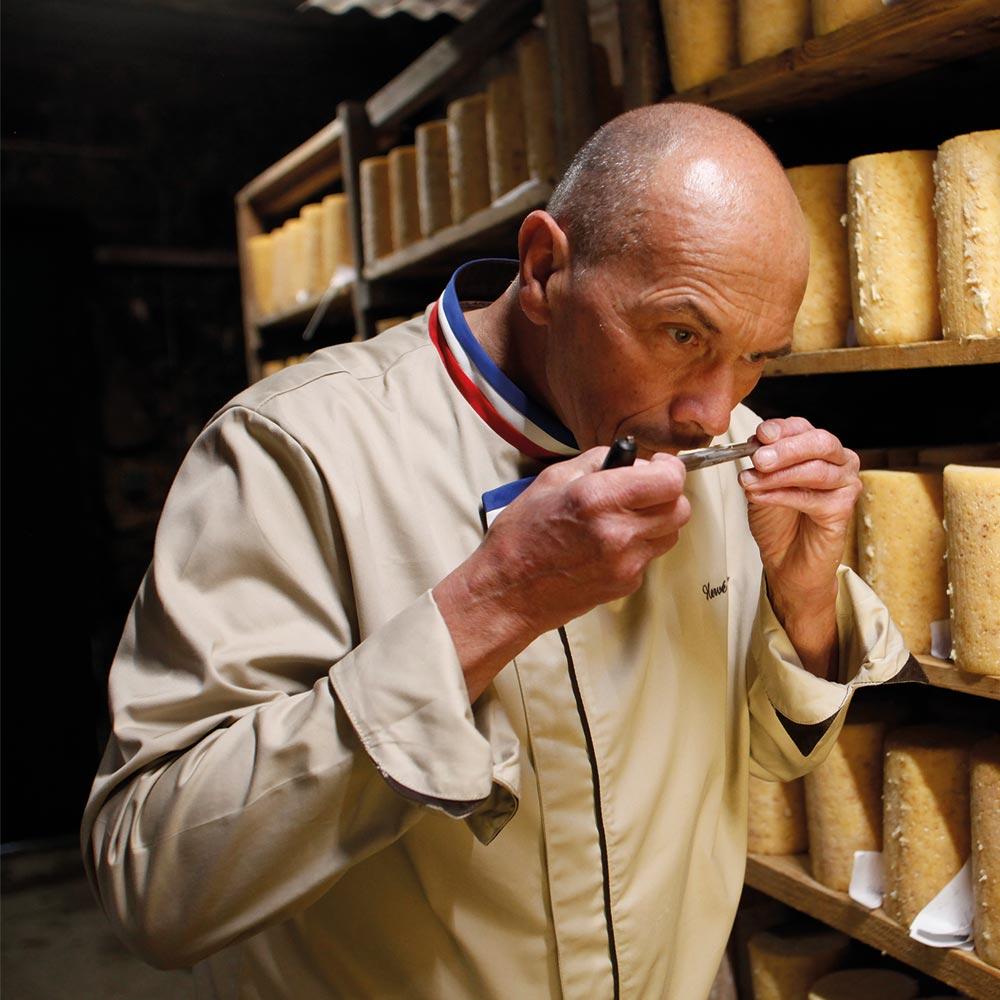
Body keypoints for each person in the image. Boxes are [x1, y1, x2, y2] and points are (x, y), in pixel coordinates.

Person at [82, 104, 913, 999]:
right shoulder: (295, 448)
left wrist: (803, 599)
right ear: (545, 268)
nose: (713, 413)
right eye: (682, 335)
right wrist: (493, 604)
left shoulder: (727, 447)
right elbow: (154, 882)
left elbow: (777, 757)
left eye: (756, 358)